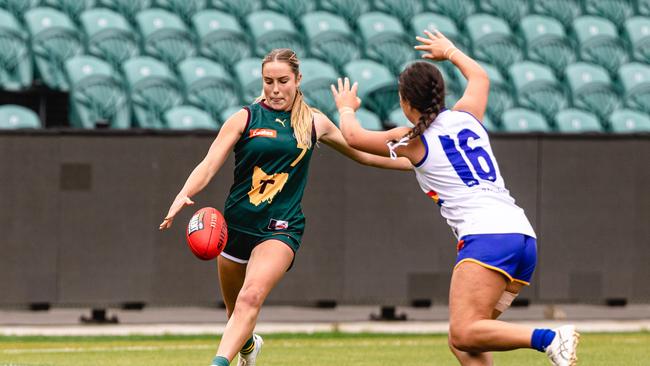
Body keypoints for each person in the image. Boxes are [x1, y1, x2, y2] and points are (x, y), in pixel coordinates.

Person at [331, 30, 579, 366]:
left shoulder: (413, 140)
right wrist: (449, 50)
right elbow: (480, 75)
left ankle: (549, 338)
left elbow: (353, 136)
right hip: (521, 238)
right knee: (466, 340)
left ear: (405, 103)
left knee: (464, 332)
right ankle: (546, 340)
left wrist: (346, 108)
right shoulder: (466, 116)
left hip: (487, 239)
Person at [159, 48, 412, 366]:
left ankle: (218, 363)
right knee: (236, 311)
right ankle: (249, 348)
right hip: (235, 227)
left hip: (281, 228)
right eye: (268, 81)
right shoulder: (245, 118)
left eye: (283, 81)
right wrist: (185, 192)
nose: (275, 89)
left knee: (250, 298)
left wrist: (417, 164)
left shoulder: (315, 122)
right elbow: (209, 164)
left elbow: (363, 153)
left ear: (298, 79)